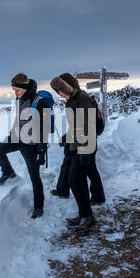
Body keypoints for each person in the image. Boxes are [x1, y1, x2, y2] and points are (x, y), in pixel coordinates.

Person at [0, 73, 50, 219]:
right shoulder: (19, 99)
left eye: (17, 89)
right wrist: (11, 135)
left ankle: (39, 207)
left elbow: (45, 127)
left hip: (31, 144)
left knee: (34, 175)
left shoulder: (40, 102)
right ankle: (8, 172)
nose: (15, 92)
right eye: (13, 89)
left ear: (25, 87)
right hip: (17, 138)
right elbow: (18, 120)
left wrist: (42, 149)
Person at [49, 75, 99, 235]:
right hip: (77, 146)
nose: (60, 94)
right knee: (79, 182)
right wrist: (66, 137)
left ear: (69, 87)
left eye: (61, 90)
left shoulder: (83, 100)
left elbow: (88, 127)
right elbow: (76, 126)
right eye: (57, 92)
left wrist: (85, 149)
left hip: (85, 147)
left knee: (74, 181)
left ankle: (87, 216)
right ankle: (85, 215)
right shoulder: (72, 100)